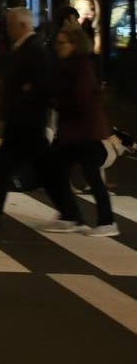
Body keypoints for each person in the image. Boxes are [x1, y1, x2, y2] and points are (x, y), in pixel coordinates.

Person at [0, 7, 84, 231]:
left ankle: (71, 213)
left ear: (21, 25)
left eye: (10, 25)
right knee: (6, 166)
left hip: (28, 121)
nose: (8, 29)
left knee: (44, 169)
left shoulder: (35, 49)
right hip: (22, 120)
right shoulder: (24, 47)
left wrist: (26, 93)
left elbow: (43, 83)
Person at [52, 25, 117, 236]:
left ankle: (104, 221)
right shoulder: (71, 65)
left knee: (89, 175)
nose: (58, 46)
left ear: (75, 45)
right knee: (60, 172)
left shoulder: (81, 67)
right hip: (76, 130)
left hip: (84, 130)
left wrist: (54, 100)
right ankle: (72, 217)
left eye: (62, 43)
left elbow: (78, 98)